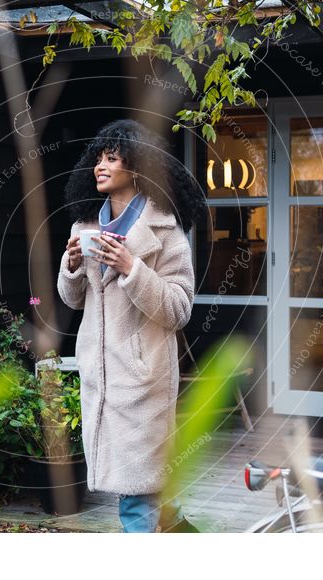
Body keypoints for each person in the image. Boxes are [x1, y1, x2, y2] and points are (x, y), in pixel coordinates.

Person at [56, 119, 206, 532]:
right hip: (101, 376)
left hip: (143, 380)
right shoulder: (85, 227)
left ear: (136, 167)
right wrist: (70, 268)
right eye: (98, 159)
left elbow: (178, 309)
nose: (99, 167)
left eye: (112, 158)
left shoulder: (166, 232)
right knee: (149, 493)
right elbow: (72, 300)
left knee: (137, 500)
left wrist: (131, 267)